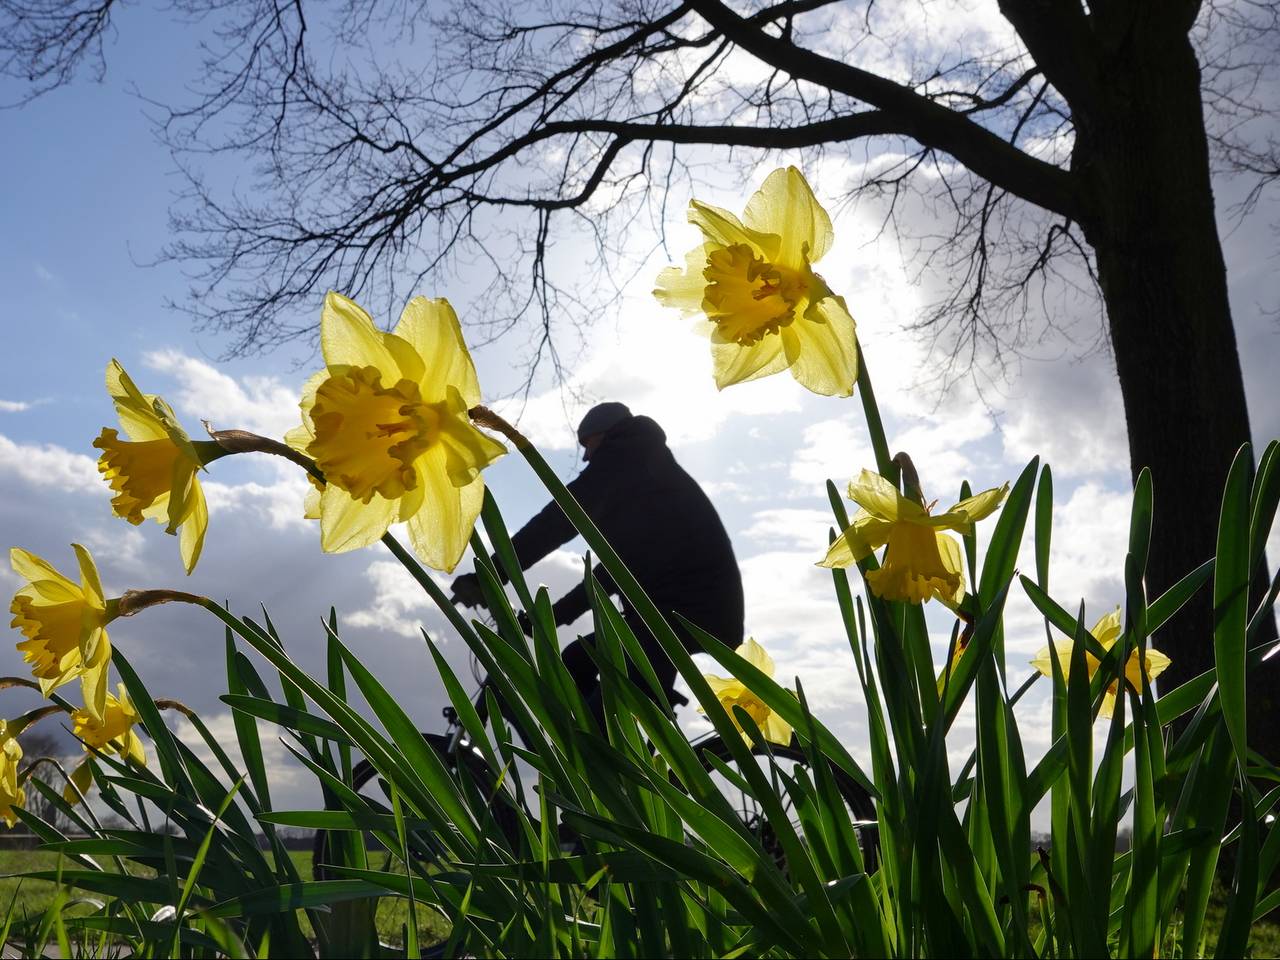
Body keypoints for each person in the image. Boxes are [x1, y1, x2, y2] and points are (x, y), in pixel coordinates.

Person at [450, 402, 744, 721]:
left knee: (602, 717)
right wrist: (551, 616)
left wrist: (489, 577)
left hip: (683, 616)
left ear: (603, 436)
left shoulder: (625, 459)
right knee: (577, 659)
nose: (587, 458)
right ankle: (613, 752)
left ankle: (607, 764)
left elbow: (560, 518)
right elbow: (617, 570)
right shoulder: (646, 473)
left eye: (587, 445)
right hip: (678, 613)